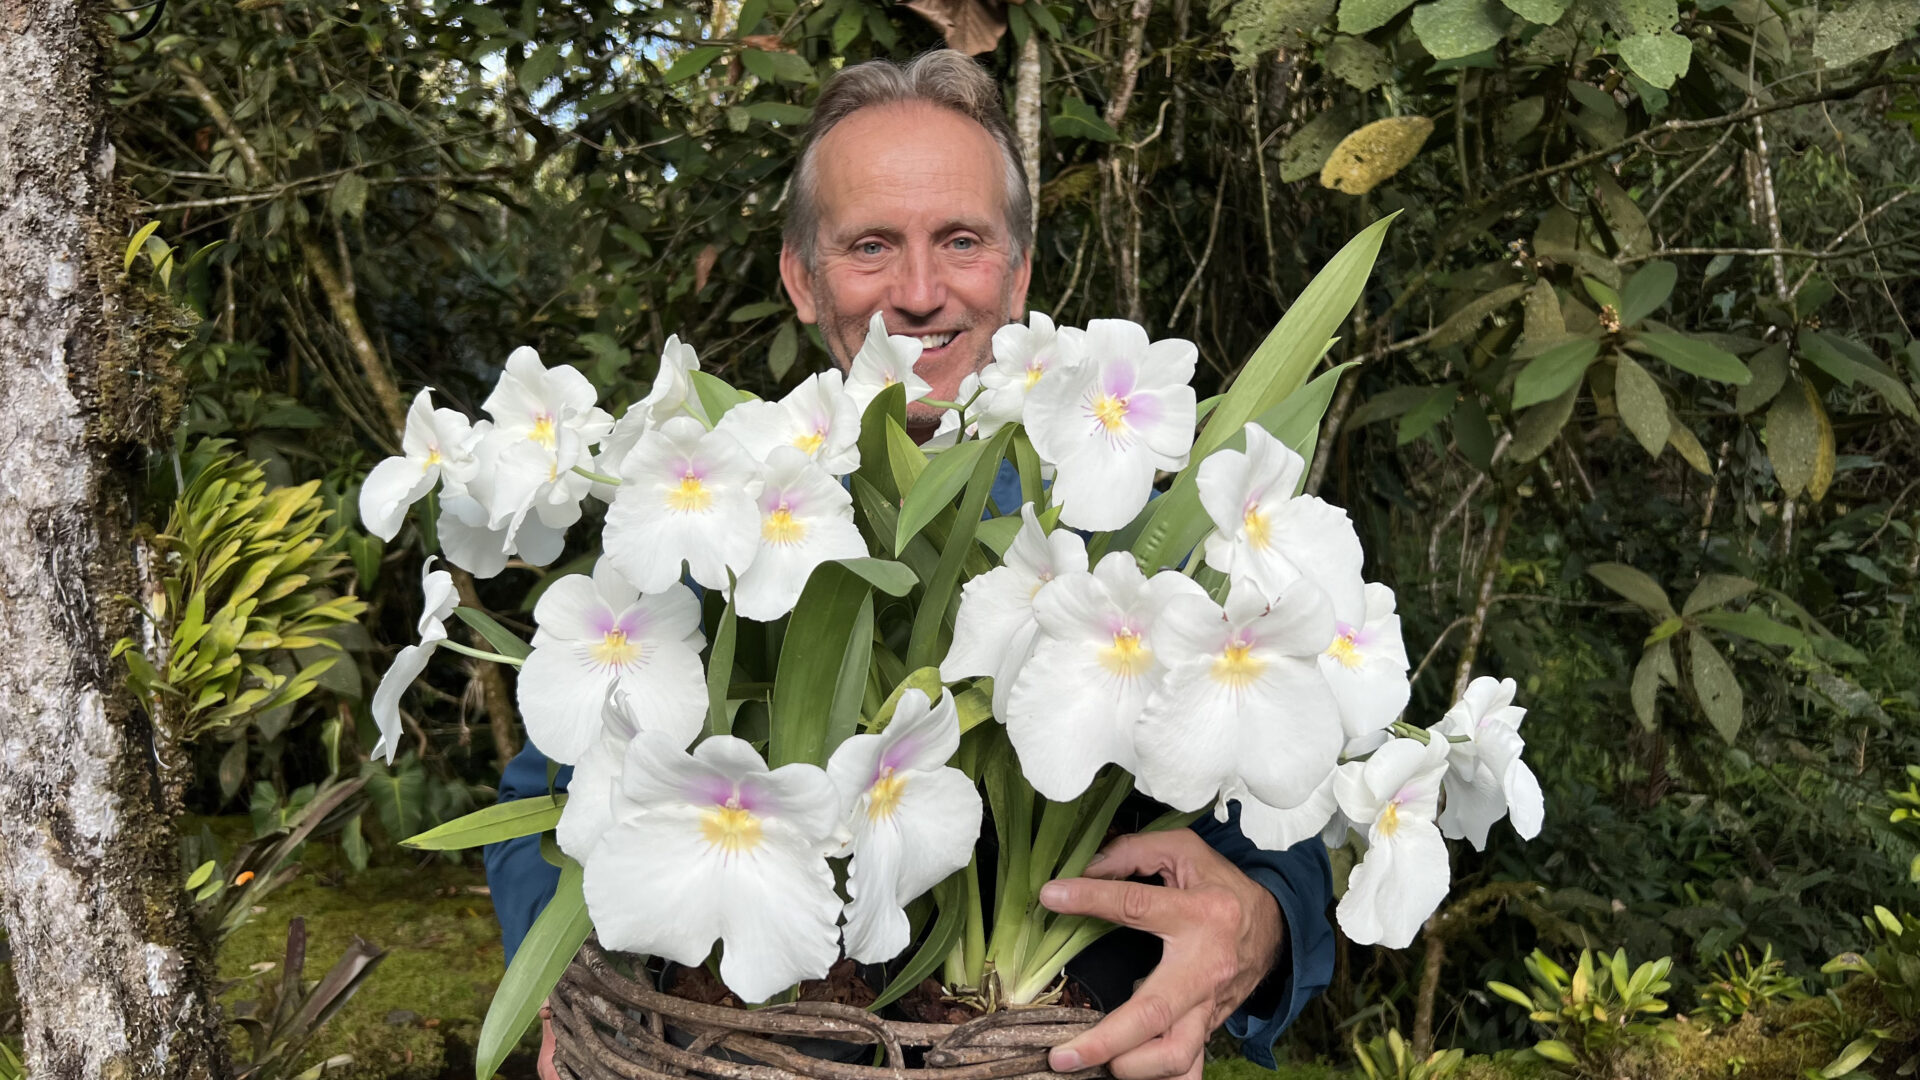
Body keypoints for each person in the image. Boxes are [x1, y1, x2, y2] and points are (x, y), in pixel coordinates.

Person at [486, 49, 1335, 1080]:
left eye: (963, 242)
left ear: (1019, 273)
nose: (921, 293)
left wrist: (1260, 924)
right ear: (803, 278)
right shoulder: (707, 531)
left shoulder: (1145, 548)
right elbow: (547, 800)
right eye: (871, 246)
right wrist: (569, 991)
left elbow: (1283, 822)